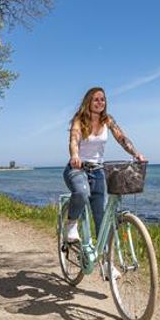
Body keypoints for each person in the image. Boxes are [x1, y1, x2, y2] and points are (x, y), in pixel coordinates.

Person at [63, 87, 145, 243]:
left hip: (98, 171)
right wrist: (75, 155)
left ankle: (107, 263)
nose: (99, 102)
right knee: (81, 193)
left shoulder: (107, 120)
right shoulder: (79, 119)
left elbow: (122, 139)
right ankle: (71, 224)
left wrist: (135, 154)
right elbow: (74, 139)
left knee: (102, 219)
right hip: (77, 168)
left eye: (102, 99)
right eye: (96, 99)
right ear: (88, 101)